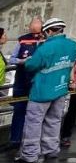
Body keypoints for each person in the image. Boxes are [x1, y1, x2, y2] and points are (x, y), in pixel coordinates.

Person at [14, 18, 76, 163]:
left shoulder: (45, 48)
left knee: (34, 123)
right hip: (60, 89)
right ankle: (51, 150)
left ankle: (29, 154)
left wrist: (28, 60)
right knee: (54, 121)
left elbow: (31, 65)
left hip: (41, 91)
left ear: (49, 31)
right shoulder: (73, 45)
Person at [8, 18, 44, 148]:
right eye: (32, 26)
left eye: (37, 26)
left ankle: (32, 142)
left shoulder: (46, 41)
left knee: (36, 113)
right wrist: (22, 61)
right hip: (22, 82)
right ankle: (15, 140)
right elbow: (12, 59)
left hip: (38, 82)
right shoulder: (22, 40)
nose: (34, 29)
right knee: (19, 111)